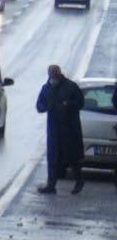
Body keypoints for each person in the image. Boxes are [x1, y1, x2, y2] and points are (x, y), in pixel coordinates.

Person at [36, 64, 87, 194]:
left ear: (59, 73)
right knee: (53, 158)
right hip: (53, 129)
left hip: (69, 128)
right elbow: (39, 105)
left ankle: (79, 180)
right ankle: (51, 185)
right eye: (50, 74)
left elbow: (80, 102)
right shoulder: (46, 88)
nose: (52, 77)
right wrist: (44, 107)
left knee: (72, 157)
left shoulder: (71, 86)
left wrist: (68, 104)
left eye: (54, 74)